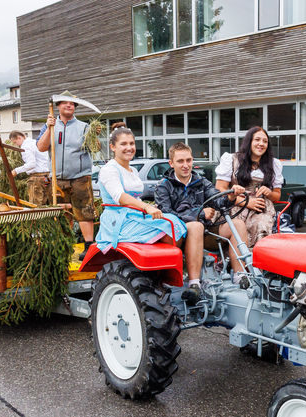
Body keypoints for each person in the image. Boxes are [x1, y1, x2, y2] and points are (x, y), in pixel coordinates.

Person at [155, 142, 247, 303]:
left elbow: (218, 201)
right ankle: (194, 284)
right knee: (196, 226)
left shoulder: (201, 181)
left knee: (238, 224)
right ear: (171, 163)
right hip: (178, 236)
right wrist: (198, 213)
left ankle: (240, 276)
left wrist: (231, 197)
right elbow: (168, 215)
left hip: (203, 233)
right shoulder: (163, 186)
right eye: (180, 161)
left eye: (189, 160)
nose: (186, 165)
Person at [95, 123, 187, 255]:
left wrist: (152, 207)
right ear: (113, 147)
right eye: (124, 144)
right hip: (119, 220)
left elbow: (135, 197)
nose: (129, 148)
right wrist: (146, 207)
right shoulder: (109, 169)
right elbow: (121, 197)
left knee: (174, 221)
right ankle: (163, 266)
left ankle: (171, 265)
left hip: (135, 215)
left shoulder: (133, 170)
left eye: (132, 144)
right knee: (170, 227)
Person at [37, 91, 96, 255]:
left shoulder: (84, 127)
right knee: (61, 212)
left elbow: (96, 148)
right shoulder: (49, 125)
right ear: (58, 106)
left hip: (80, 177)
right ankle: (64, 245)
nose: (68, 105)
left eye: (72, 103)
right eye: (64, 102)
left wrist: (94, 135)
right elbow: (41, 147)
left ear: (75, 107)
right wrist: (50, 129)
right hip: (57, 178)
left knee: (84, 211)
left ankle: (89, 246)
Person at [214, 126, 284, 248]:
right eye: (257, 139)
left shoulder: (274, 164)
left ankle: (257, 264)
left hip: (260, 210)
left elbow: (277, 195)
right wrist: (246, 202)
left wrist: (268, 192)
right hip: (234, 206)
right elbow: (220, 188)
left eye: (265, 141)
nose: (261, 144)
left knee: (261, 225)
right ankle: (235, 263)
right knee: (238, 228)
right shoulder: (232, 159)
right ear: (249, 141)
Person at [8, 131, 50, 205]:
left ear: (19, 138)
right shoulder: (35, 142)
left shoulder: (25, 146)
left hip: (37, 178)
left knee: (35, 204)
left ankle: (38, 216)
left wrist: (16, 171)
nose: (16, 145)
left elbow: (31, 164)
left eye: (15, 142)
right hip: (46, 177)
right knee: (46, 202)